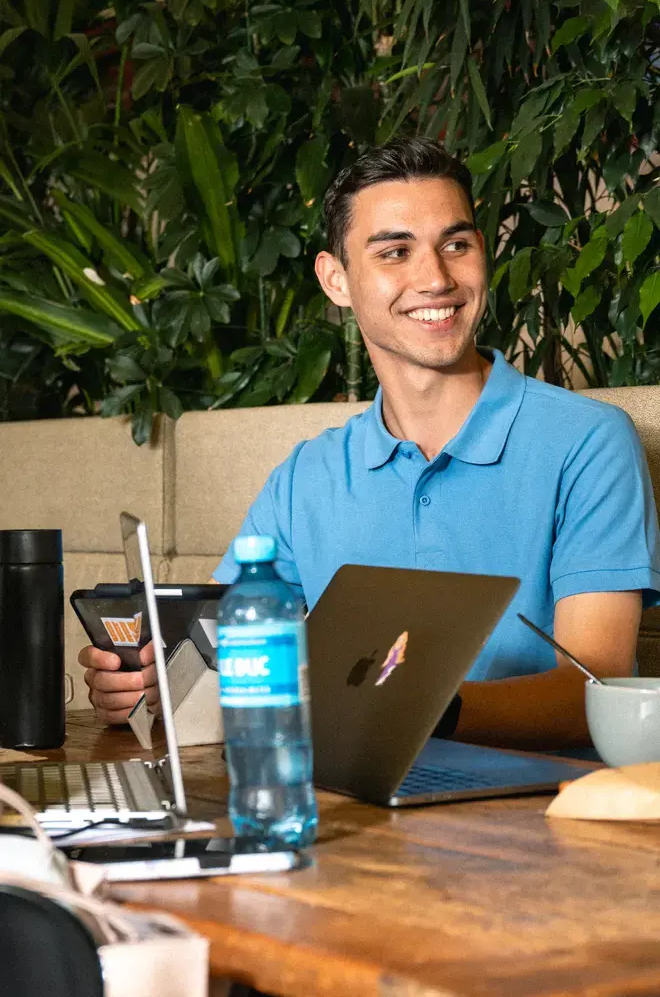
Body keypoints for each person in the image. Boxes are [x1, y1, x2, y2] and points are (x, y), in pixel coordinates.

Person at [80, 138, 660, 749]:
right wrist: (143, 685)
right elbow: (220, 664)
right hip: (343, 806)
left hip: (532, 818)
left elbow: (596, 690)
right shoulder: (307, 477)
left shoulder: (588, 444)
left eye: (456, 245)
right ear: (336, 280)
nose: (435, 278)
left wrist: (404, 705)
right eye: (395, 252)